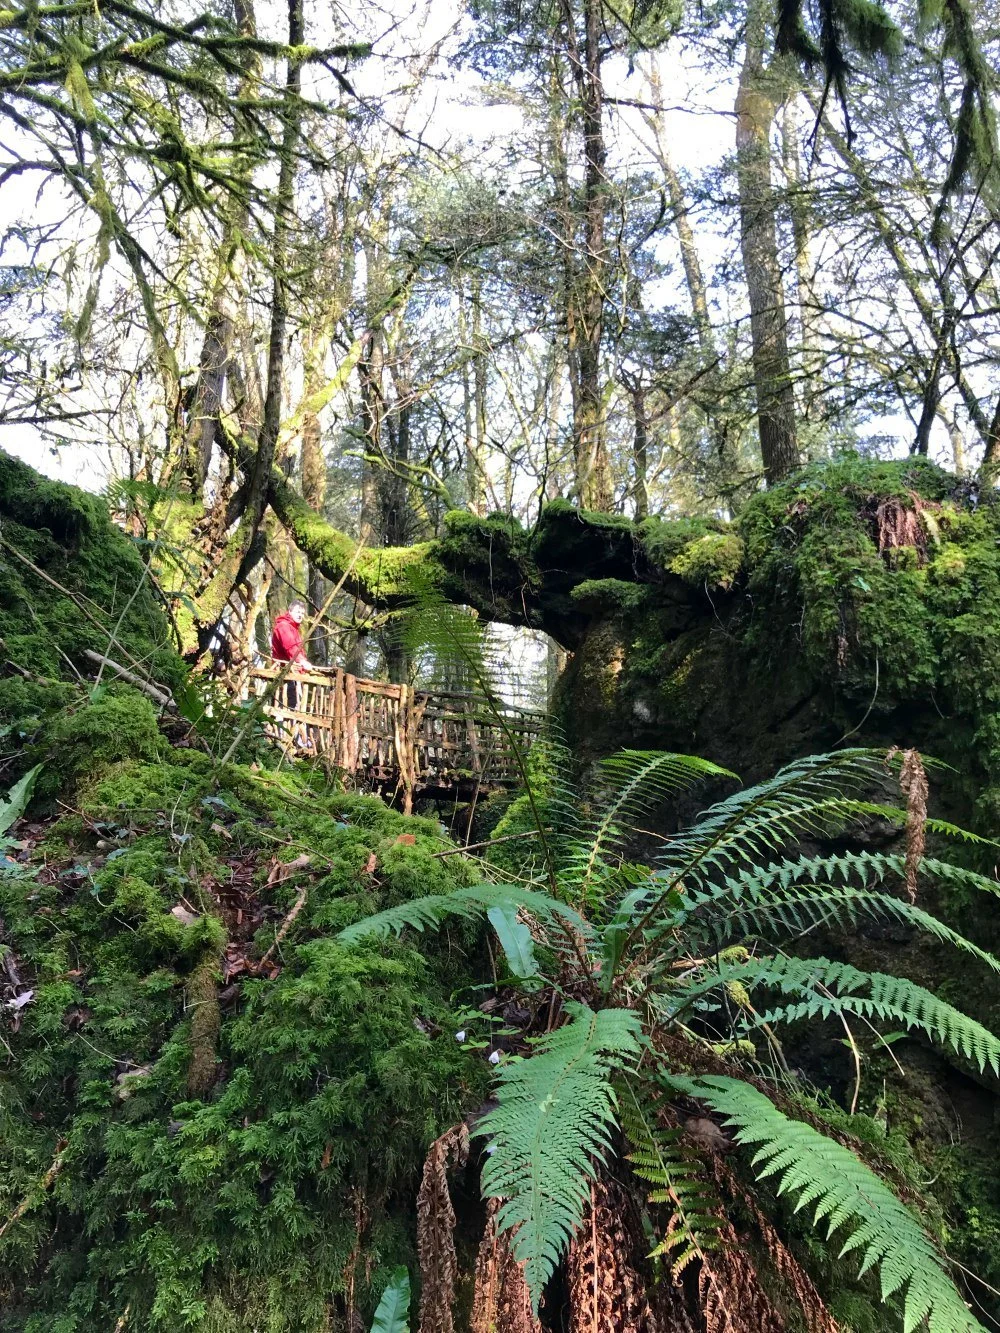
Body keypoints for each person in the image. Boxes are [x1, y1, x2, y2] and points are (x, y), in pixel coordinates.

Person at [270, 602, 310, 734]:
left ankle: (290, 737)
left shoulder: (293, 628)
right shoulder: (284, 627)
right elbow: (291, 647)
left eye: (303, 613)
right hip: (285, 675)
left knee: (293, 705)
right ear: (290, 611)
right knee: (286, 705)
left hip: (292, 674)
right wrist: (303, 662)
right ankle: (280, 736)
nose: (300, 615)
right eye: (298, 611)